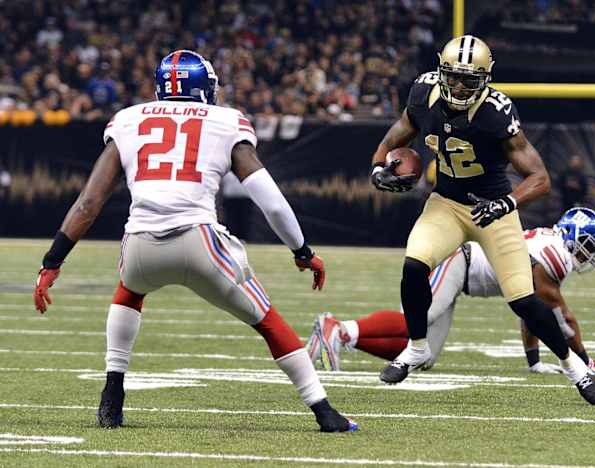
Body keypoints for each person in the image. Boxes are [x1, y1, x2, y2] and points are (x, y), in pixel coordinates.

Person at [32, 50, 357, 433]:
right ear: (205, 88)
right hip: (200, 241)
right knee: (267, 320)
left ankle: (112, 391)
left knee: (129, 290)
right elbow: (270, 200)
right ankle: (323, 411)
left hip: (140, 245)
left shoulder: (128, 119)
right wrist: (302, 251)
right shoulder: (226, 121)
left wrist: (52, 262)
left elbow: (89, 203)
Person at [369, 35, 595, 404]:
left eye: (469, 80)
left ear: (485, 79)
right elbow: (393, 138)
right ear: (441, 72)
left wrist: (505, 203)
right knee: (414, 265)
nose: (460, 87)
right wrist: (378, 168)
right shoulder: (423, 93)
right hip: (447, 204)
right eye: (454, 77)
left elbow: (540, 178)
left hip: (493, 209)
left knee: (523, 299)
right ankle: (416, 348)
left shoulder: (495, 112)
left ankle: (575, 367)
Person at [307, 207, 595, 377]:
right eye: (589, 247)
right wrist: (584, 362)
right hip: (459, 261)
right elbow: (562, 320)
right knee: (414, 322)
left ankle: (343, 337)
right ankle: (339, 328)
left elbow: (533, 311)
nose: (590, 255)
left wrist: (533, 361)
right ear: (576, 237)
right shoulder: (557, 256)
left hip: (463, 271)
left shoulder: (550, 245)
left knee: (423, 356)